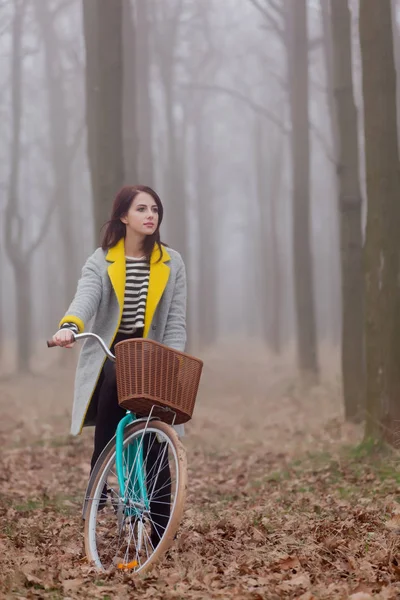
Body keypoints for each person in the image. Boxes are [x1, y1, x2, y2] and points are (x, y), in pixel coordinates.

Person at [52, 184, 187, 547]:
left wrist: (172, 365)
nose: (150, 215)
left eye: (155, 209)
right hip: (111, 358)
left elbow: (175, 322)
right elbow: (86, 298)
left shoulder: (171, 262)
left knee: (156, 442)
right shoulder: (101, 260)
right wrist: (69, 326)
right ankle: (101, 469)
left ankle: (160, 536)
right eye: (142, 208)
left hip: (153, 359)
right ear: (123, 216)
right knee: (114, 377)